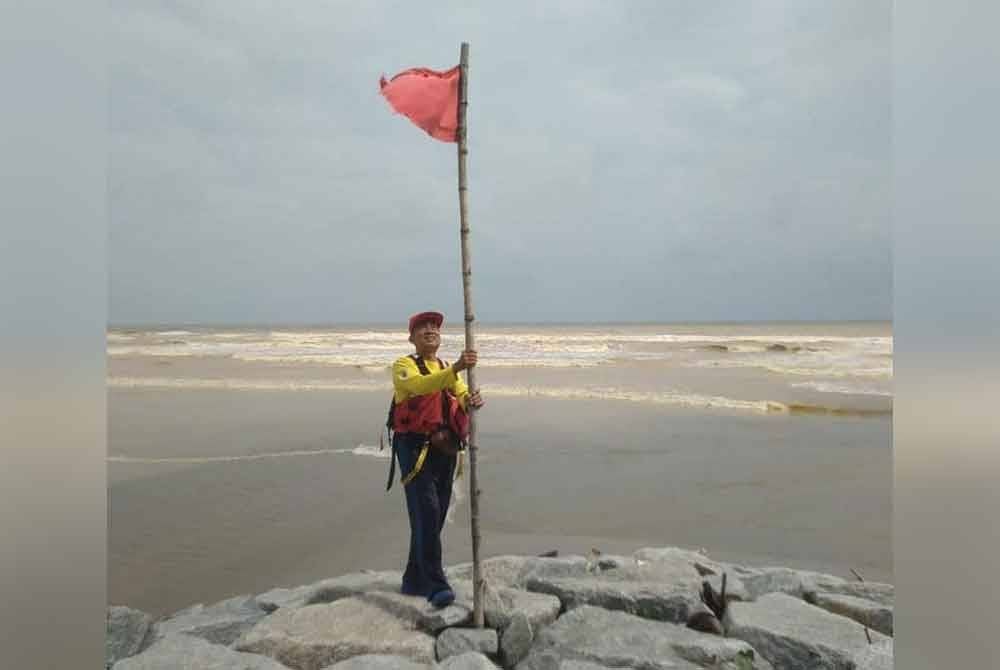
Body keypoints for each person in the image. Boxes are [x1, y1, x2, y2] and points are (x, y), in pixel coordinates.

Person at [390, 310, 484, 608]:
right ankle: (435, 584)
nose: (430, 330)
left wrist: (471, 400)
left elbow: (460, 392)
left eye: (434, 326)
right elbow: (419, 386)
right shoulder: (404, 365)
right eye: (422, 327)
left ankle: (413, 579)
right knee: (426, 513)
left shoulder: (445, 367)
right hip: (415, 450)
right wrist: (456, 367)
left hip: (445, 449)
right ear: (411, 337)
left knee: (434, 516)